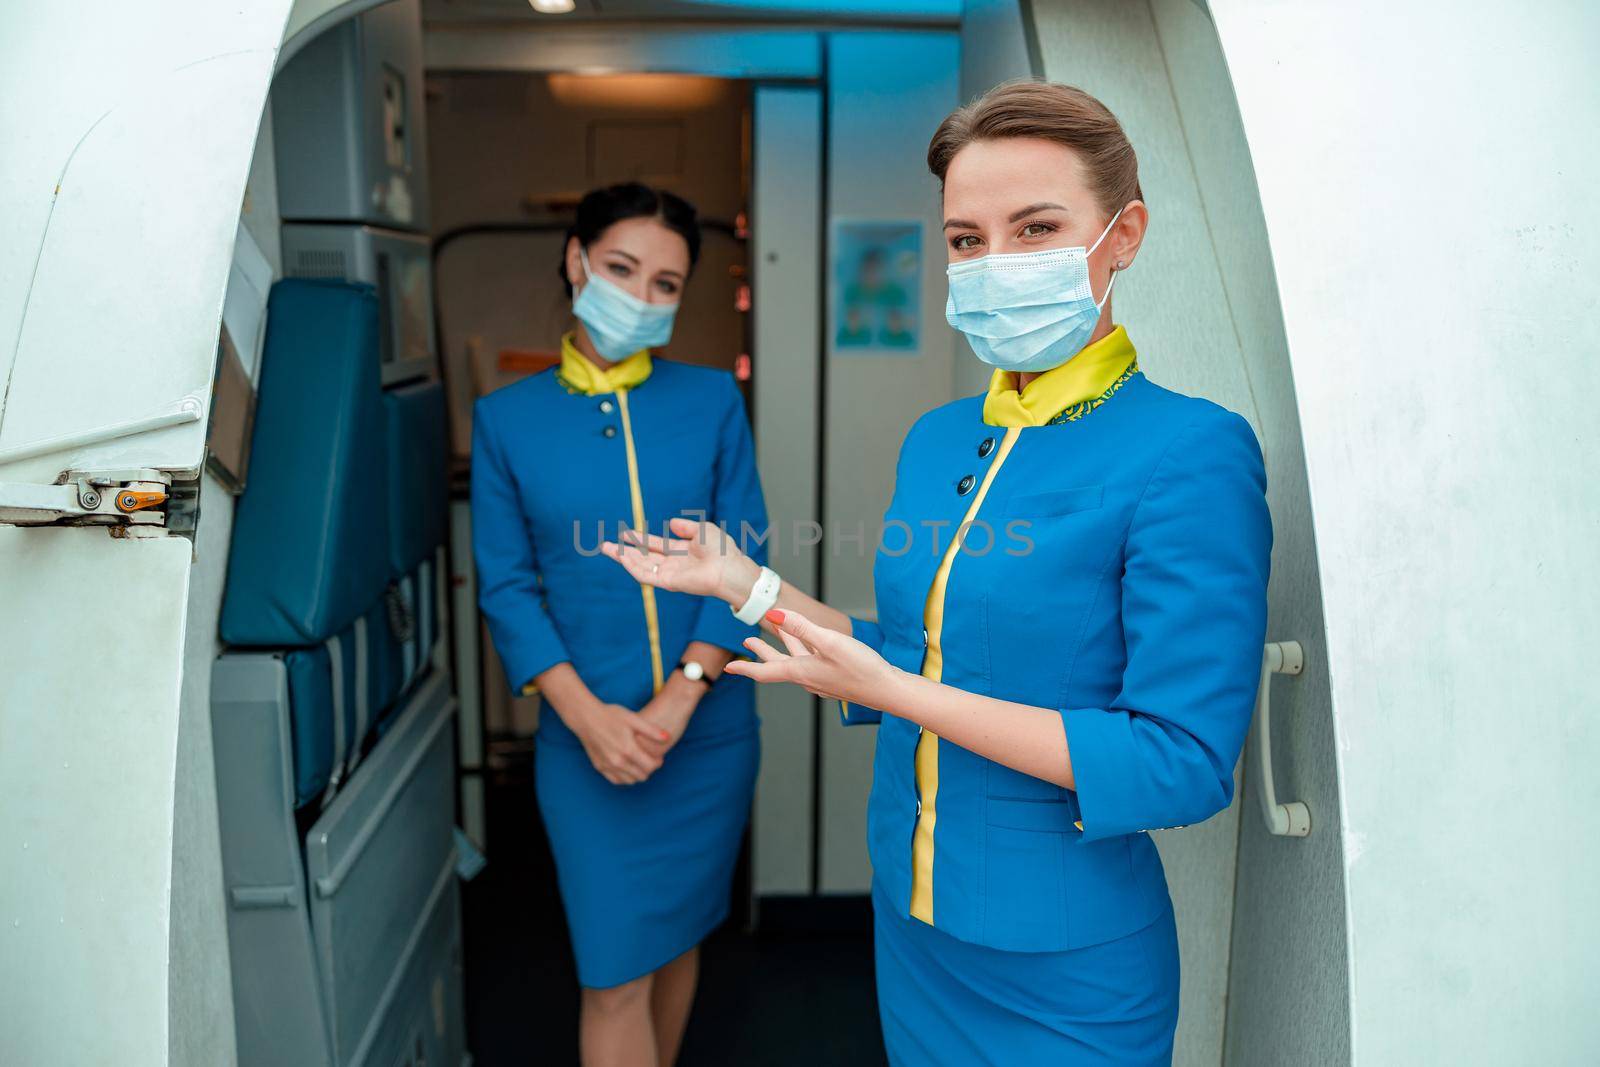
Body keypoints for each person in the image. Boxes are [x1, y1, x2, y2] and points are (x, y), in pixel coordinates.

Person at [603, 82, 1271, 1065]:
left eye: (1035, 227)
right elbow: (915, 655)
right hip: (913, 923)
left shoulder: (1191, 450)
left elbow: (1179, 758)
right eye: (965, 239)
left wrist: (898, 691)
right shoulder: (941, 439)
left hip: (1064, 960)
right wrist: (745, 585)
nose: (994, 263)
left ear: (1122, 234)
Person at [471, 182, 768, 1067]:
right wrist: (589, 716)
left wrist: (683, 698)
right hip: (583, 738)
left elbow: (742, 556)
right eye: (621, 269)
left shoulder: (712, 401)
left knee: (676, 941)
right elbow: (507, 587)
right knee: (612, 974)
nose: (641, 298)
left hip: (706, 736)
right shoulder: (507, 419)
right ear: (575, 261)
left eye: (666, 284)